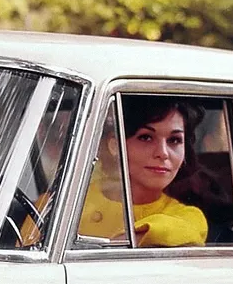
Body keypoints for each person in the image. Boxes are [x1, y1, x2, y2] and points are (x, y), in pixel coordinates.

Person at [76, 99, 208, 247]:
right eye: (146, 137)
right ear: (115, 145)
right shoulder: (70, 204)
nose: (163, 153)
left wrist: (135, 238)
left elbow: (184, 230)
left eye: (174, 140)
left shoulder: (187, 217)